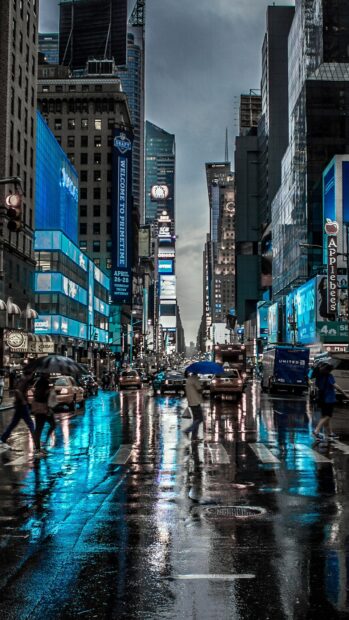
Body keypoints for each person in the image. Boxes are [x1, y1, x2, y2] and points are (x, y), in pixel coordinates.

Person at [312, 363, 348, 441]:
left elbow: (317, 386)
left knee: (325, 416)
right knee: (327, 416)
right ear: (328, 370)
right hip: (329, 399)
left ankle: (330, 433)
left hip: (322, 399)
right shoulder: (329, 376)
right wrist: (345, 394)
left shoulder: (318, 376)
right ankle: (316, 431)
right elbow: (336, 386)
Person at [0, 373, 35, 450]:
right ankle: (36, 441)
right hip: (21, 406)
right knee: (30, 423)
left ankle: (3, 438)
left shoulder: (23, 380)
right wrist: (23, 401)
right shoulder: (24, 380)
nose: (32, 376)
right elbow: (17, 390)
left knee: (14, 423)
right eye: (31, 374)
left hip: (19, 405)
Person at [31, 376, 56, 455]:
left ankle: (40, 446)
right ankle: (39, 448)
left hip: (39, 408)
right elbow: (43, 396)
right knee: (42, 428)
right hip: (43, 409)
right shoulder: (44, 382)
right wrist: (49, 391)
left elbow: (36, 395)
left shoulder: (39, 382)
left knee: (40, 428)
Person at [184, 371, 204, 442]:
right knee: (200, 419)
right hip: (195, 402)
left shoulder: (189, 379)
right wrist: (203, 387)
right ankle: (188, 430)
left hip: (191, 401)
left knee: (196, 419)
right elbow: (199, 390)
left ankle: (194, 436)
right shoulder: (195, 379)